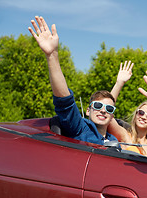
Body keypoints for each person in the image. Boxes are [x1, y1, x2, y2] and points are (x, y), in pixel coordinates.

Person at [28, 16, 119, 145]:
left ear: (112, 117)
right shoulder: (81, 129)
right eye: (98, 106)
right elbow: (65, 102)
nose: (103, 111)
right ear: (88, 110)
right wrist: (52, 55)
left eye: (109, 109)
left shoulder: (114, 140)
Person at [106, 62, 147, 156]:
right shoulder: (126, 136)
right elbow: (107, 114)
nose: (143, 117)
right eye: (141, 112)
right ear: (136, 115)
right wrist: (119, 83)